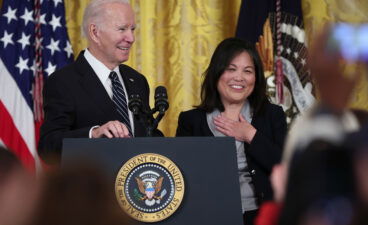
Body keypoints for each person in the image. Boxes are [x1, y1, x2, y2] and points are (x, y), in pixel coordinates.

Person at [175, 37, 287, 225]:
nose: (239, 77)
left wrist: (251, 135)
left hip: (262, 215)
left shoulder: (272, 115)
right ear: (216, 73)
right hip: (209, 215)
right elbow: (181, 177)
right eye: (231, 69)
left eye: (248, 71)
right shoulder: (191, 121)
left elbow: (285, 167)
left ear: (256, 77)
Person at [38, 0, 162, 164]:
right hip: (93, 187)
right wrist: (94, 134)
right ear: (95, 32)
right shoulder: (63, 82)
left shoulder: (137, 80)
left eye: (132, 29)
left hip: (136, 185)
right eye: (122, 29)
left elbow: (147, 134)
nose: (131, 38)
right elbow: (49, 147)